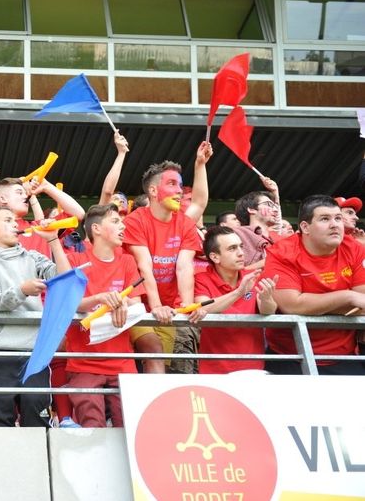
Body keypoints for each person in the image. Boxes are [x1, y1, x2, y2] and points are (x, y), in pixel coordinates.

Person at [0, 206, 70, 427]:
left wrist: (53, 240)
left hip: (36, 350)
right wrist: (22, 290)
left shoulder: (32, 256)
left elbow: (64, 278)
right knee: (0, 417)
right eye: (7, 220)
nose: (15, 224)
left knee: (38, 413)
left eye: (15, 220)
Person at [262, 195, 365, 375]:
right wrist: (348, 296)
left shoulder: (355, 248)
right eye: (325, 219)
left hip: (344, 356)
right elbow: (292, 306)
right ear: (305, 227)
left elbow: (362, 305)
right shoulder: (282, 252)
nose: (334, 225)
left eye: (338, 218)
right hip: (290, 357)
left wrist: (311, 305)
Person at [122, 159, 205, 373]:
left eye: (180, 185)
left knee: (163, 367)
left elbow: (184, 268)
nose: (179, 191)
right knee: (154, 352)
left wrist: (187, 307)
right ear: (153, 190)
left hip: (169, 311)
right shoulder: (135, 220)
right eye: (171, 184)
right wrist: (156, 306)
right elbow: (145, 266)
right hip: (137, 307)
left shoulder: (185, 223)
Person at [66, 204, 142, 428]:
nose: (123, 226)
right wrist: (101, 298)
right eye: (116, 221)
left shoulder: (127, 261)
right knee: (92, 428)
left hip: (123, 363)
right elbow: (69, 304)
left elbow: (136, 302)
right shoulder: (75, 260)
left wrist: (122, 302)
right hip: (83, 362)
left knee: (130, 428)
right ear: (96, 229)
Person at [194, 226, 278, 374]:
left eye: (241, 246)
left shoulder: (253, 275)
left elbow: (268, 311)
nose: (241, 253)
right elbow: (203, 307)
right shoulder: (202, 278)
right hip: (213, 370)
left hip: (253, 368)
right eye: (232, 248)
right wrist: (239, 292)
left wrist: (266, 298)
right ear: (215, 257)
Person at [0, 176, 84, 257]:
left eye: (25, 193)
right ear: (3, 199)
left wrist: (46, 187)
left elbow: (78, 214)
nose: (25, 196)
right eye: (19, 193)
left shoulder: (41, 226)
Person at [233, 180, 286, 270]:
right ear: (251, 209)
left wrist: (275, 193)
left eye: (274, 206)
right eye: (268, 204)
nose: (275, 210)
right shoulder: (237, 234)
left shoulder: (275, 238)